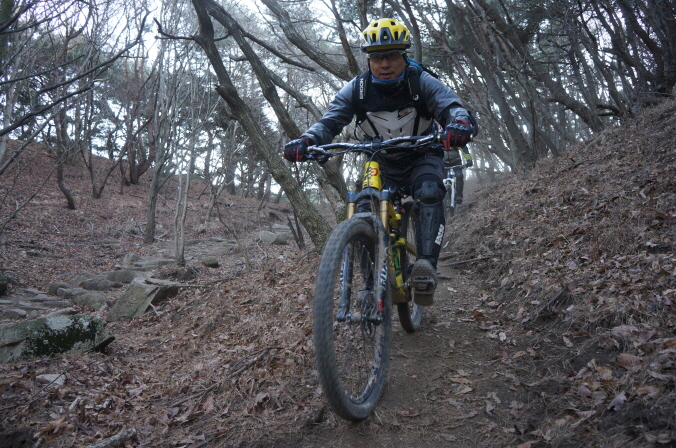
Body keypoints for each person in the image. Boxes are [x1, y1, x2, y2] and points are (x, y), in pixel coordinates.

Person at [283, 18, 477, 306]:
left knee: (429, 191)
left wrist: (459, 124)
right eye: (376, 58)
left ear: (404, 56)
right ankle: (370, 284)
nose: (384, 64)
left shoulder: (421, 81)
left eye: (392, 56)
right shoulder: (357, 89)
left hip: (423, 155)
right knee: (363, 211)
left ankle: (425, 268)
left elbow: (451, 107)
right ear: (369, 60)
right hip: (380, 161)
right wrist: (307, 140)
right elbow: (329, 121)